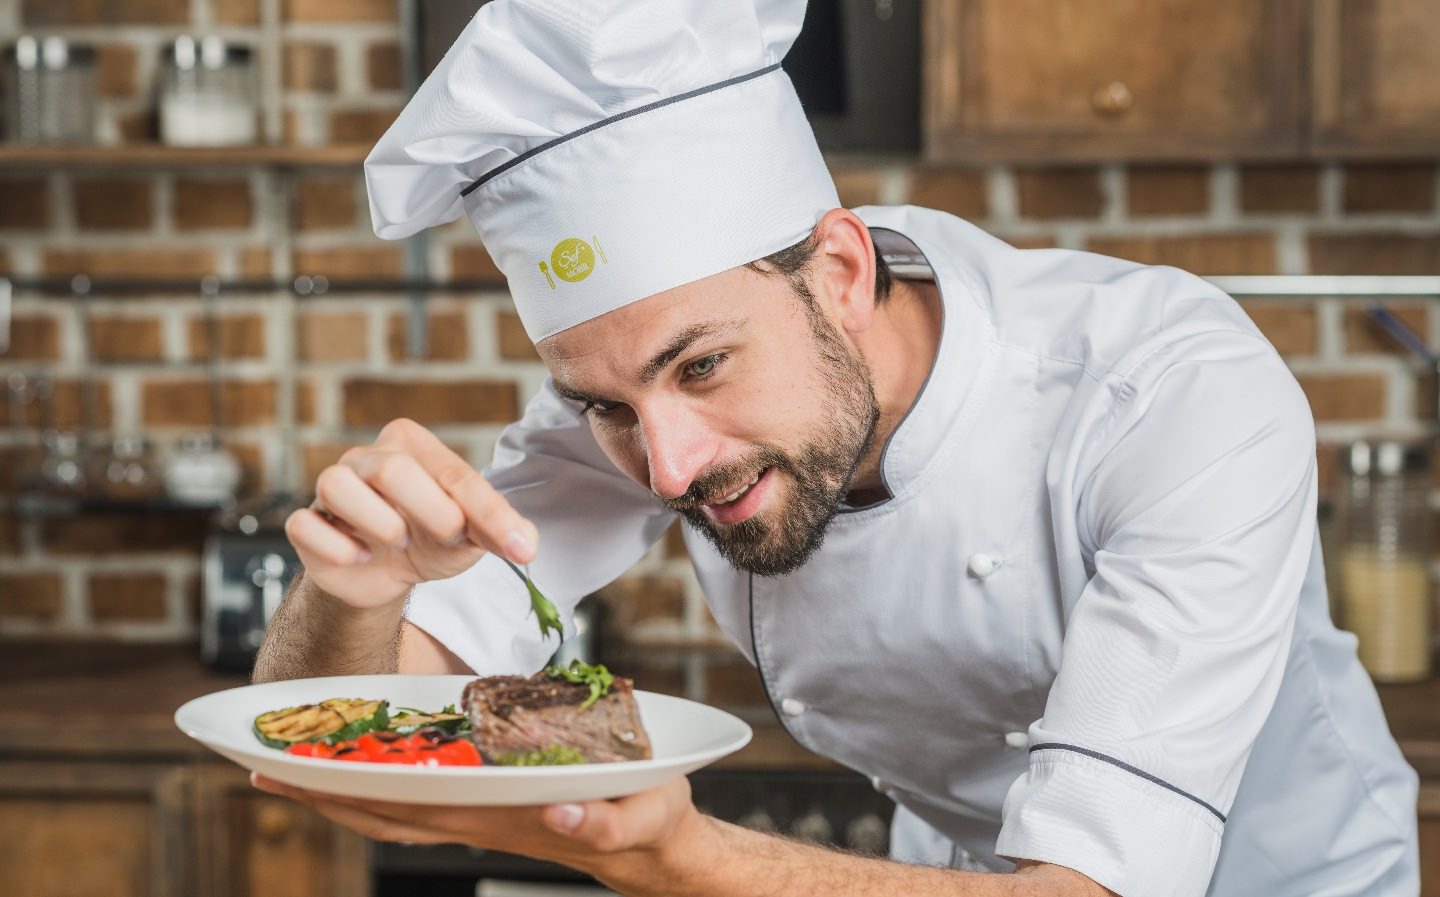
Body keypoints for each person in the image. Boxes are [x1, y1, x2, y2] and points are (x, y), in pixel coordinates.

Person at [252, 1, 1420, 895]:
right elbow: (344, 727)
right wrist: (348, 592)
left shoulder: (1169, 390)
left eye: (701, 366)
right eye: (604, 401)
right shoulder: (640, 414)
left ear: (844, 272)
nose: (665, 465)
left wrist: (676, 859)